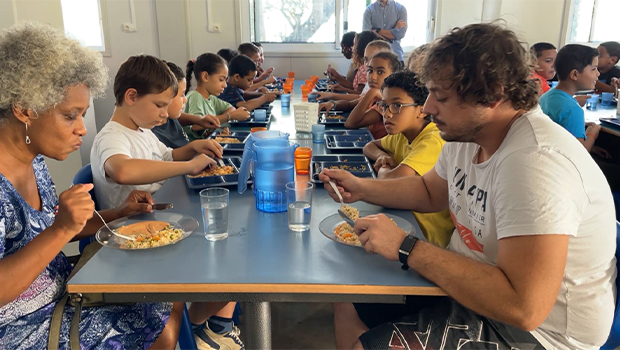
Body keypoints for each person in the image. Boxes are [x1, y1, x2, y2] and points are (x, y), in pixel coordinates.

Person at [320, 23, 616, 350]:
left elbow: (523, 307)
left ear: (493, 94)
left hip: (537, 332)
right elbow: (430, 192)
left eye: (441, 97)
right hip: (468, 288)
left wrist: (406, 247)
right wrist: (361, 187)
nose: (429, 108)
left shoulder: (535, 163)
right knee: (346, 294)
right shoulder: (467, 134)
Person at [0, 22, 183, 350]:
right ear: (25, 108)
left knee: (171, 296)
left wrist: (119, 212)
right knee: (164, 322)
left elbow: (56, 227)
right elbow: (55, 233)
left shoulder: (33, 161)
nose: (83, 130)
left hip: (64, 295)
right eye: (71, 116)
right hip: (20, 330)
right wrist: (60, 230)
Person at [90, 55, 243, 349]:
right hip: (132, 243)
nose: (164, 114)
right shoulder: (111, 137)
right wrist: (188, 166)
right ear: (131, 96)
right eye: (159, 105)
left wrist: (191, 148)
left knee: (232, 253)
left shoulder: (143, 130)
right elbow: (122, 170)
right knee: (228, 264)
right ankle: (192, 327)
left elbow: (166, 156)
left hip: (158, 226)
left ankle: (198, 325)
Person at [362, 71, 453, 247]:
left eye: (396, 106)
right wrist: (383, 156)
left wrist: (383, 168)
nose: (387, 114)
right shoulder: (402, 133)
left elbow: (388, 182)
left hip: (427, 237)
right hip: (402, 218)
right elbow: (370, 146)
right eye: (384, 105)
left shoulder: (432, 140)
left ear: (422, 110)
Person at [539, 44, 603, 153]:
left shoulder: (546, 96)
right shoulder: (573, 110)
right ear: (574, 74)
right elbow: (579, 153)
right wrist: (592, 133)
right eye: (593, 69)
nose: (598, 73)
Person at [153, 61, 222, 149]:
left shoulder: (170, 117)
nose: (185, 99)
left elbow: (178, 117)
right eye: (181, 95)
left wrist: (198, 119)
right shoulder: (153, 133)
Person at [184, 53, 250, 140]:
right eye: (221, 80)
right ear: (205, 76)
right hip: (196, 151)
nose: (225, 85)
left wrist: (229, 115)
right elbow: (196, 125)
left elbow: (231, 109)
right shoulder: (195, 96)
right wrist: (229, 117)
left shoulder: (211, 99)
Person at [343, 50, 400, 139]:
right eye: (370, 70)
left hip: (383, 149)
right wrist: (332, 103)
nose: (372, 77)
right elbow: (350, 104)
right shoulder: (375, 95)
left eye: (380, 72)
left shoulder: (386, 104)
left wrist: (371, 92)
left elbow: (350, 124)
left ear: (393, 75)